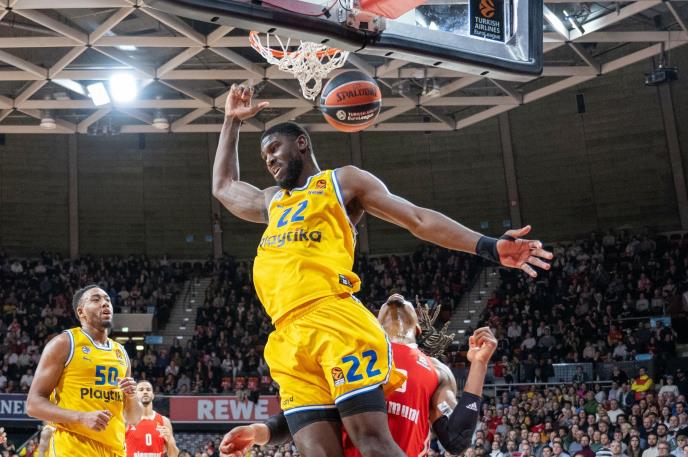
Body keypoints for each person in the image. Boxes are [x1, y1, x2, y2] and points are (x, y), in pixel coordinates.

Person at [211, 85, 552, 457]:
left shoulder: (342, 182)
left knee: (372, 443)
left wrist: (488, 246)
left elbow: (417, 219)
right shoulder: (273, 201)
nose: (269, 160)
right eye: (264, 157)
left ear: (302, 144)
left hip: (332, 319)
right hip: (286, 336)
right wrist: (230, 121)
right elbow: (224, 187)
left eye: (275, 149)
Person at [219, 294, 498, 457]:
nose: (395, 296)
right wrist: (259, 432)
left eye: (405, 300)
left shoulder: (436, 370)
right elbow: (304, 413)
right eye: (386, 301)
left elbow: (457, 440)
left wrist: (479, 365)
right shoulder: (346, 353)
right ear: (373, 324)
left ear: (418, 329)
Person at [26, 285, 143, 457]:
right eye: (96, 300)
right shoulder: (65, 343)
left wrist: (132, 397)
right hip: (73, 449)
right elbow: (33, 404)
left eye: (108, 300)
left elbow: (133, 418)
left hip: (115, 450)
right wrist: (81, 417)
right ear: (81, 312)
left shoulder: (121, 352)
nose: (105, 303)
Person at [126, 380, 179, 457]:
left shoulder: (164, 421)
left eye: (148, 389)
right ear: (135, 395)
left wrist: (170, 440)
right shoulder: (128, 420)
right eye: (141, 390)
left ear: (153, 395)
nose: (145, 392)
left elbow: (174, 455)